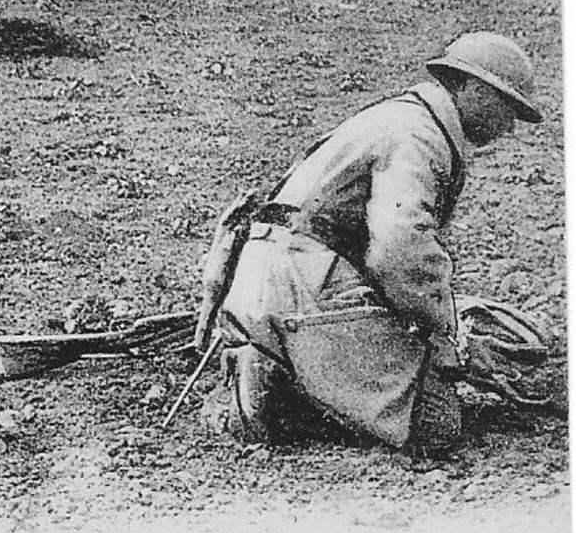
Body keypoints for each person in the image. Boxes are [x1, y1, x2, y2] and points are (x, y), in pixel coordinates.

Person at [202, 32, 547, 456]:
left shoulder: (402, 117)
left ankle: (285, 365)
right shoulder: (418, 137)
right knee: (433, 423)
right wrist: (449, 336)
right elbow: (399, 249)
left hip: (278, 272)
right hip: (303, 282)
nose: (508, 125)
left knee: (414, 367)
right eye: (506, 106)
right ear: (472, 87)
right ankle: (278, 386)